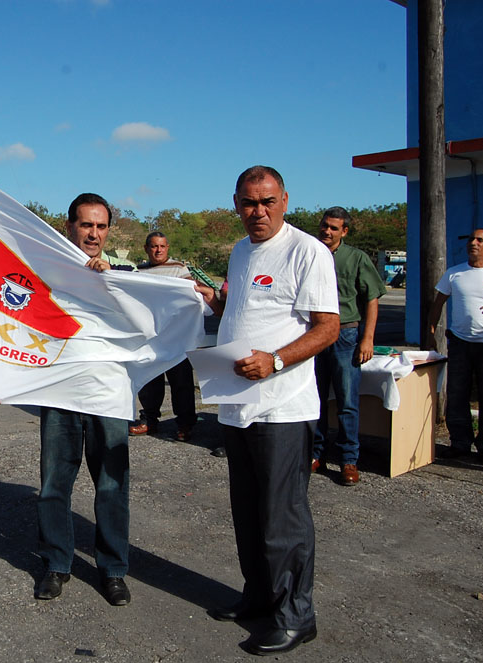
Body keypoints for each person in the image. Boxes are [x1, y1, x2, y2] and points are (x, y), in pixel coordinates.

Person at [196, 166, 338, 655]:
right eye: (249, 203)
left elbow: (327, 328)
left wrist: (276, 360)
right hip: (238, 404)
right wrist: (216, 305)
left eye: (268, 201)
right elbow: (247, 313)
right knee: (248, 512)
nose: (258, 211)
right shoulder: (240, 251)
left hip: (283, 407)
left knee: (283, 517)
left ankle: (297, 614)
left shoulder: (307, 251)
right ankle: (259, 596)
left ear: (285, 200)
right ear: (236, 202)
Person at [0, 193, 136, 606]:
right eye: (86, 225)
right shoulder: (45, 275)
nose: (94, 234)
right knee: (55, 485)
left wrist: (112, 280)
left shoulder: (121, 275)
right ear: (69, 225)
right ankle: (56, 564)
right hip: (60, 394)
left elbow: (147, 314)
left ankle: (112, 570)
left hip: (108, 396)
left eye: (101, 226)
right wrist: (2, 380)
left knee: (112, 487)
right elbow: (15, 325)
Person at [311, 207, 386, 485]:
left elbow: (372, 298)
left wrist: (368, 338)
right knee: (314, 398)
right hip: (314, 335)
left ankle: (348, 460)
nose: (327, 232)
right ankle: (315, 453)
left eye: (333, 228)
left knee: (346, 401)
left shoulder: (356, 258)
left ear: (344, 231)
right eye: (324, 226)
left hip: (345, 336)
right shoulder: (309, 254)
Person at [427, 228, 483, 466]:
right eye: (471, 239)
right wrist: (431, 333)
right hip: (459, 344)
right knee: (457, 394)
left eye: (479, 240)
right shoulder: (454, 274)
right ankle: (460, 443)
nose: (473, 243)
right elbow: (438, 304)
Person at [128, 232, 199, 445]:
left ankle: (185, 423)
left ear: (167, 247)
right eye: (153, 246)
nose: (158, 250)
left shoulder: (179, 269)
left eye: (162, 246)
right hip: (150, 336)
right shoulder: (138, 271)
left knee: (181, 381)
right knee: (149, 380)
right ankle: (150, 419)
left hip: (177, 337)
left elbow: (191, 292)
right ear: (146, 248)